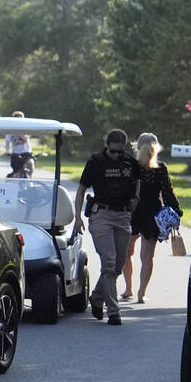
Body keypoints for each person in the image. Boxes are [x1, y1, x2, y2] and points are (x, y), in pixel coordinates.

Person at [73, 129, 141, 326]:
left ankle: (96, 296)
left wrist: (135, 202)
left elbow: (138, 184)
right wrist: (77, 218)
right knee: (109, 263)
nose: (117, 155)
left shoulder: (130, 162)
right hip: (101, 214)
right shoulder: (96, 162)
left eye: (120, 152)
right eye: (113, 151)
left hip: (122, 216)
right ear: (107, 146)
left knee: (118, 265)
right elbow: (81, 190)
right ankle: (113, 311)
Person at [122, 132, 181, 304]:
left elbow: (125, 190)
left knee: (127, 253)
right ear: (157, 147)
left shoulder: (131, 166)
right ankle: (141, 293)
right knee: (147, 257)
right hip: (152, 215)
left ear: (137, 146)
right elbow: (168, 192)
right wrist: (176, 211)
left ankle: (128, 289)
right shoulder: (160, 168)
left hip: (132, 213)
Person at [5, 110, 33, 177]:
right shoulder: (10, 131)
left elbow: (25, 138)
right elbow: (7, 143)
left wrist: (19, 131)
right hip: (16, 153)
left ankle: (30, 180)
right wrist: (7, 151)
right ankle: (16, 180)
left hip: (26, 152)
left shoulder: (25, 129)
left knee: (30, 165)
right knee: (17, 171)